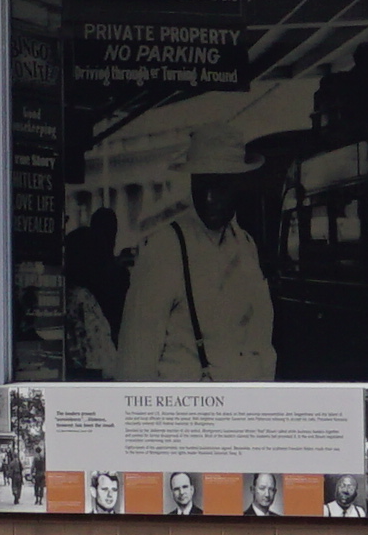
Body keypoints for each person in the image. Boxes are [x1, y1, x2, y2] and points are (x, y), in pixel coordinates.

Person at [114, 162, 280, 380]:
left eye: (220, 186)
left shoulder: (246, 246)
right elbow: (135, 362)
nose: (208, 198)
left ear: (239, 185)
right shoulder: (165, 247)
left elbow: (261, 338)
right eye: (201, 185)